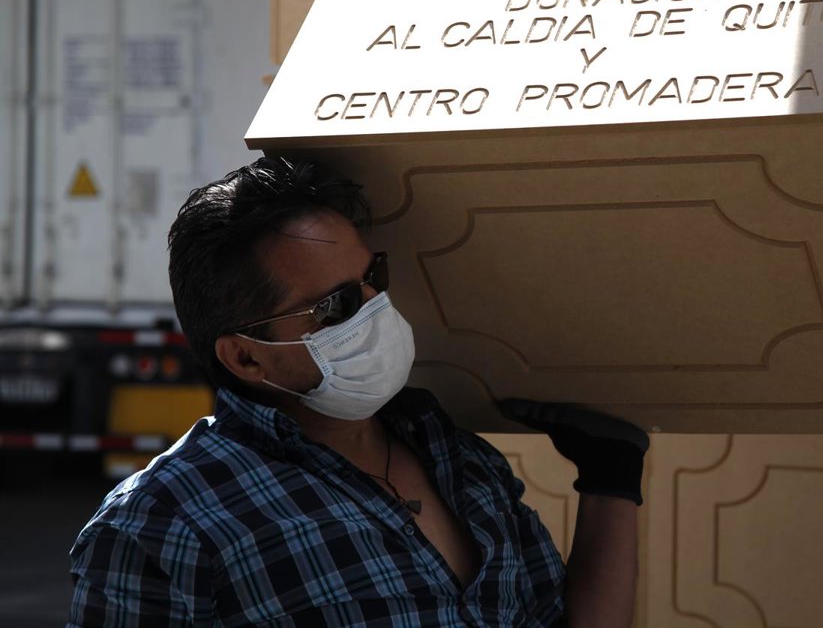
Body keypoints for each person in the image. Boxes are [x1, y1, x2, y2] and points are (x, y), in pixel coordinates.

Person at [68, 157, 647, 627]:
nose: (375, 308)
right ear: (246, 356)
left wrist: (610, 479)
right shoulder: (163, 524)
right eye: (336, 305)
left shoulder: (466, 463)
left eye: (374, 278)